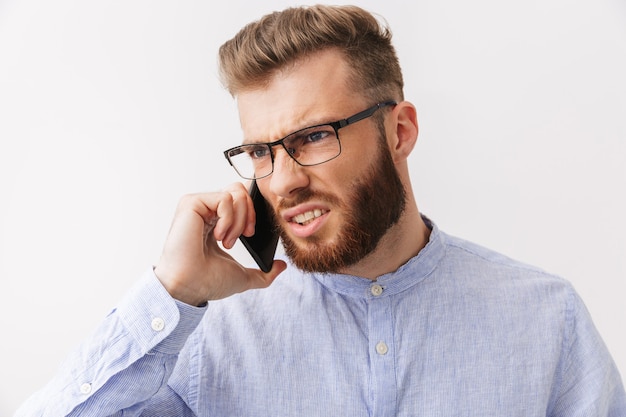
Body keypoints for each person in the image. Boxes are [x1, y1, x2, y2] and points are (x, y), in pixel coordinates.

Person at [15, 5, 625, 417]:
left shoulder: (547, 322)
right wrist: (169, 293)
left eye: (313, 137)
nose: (283, 182)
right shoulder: (203, 341)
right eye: (260, 151)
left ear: (400, 130)